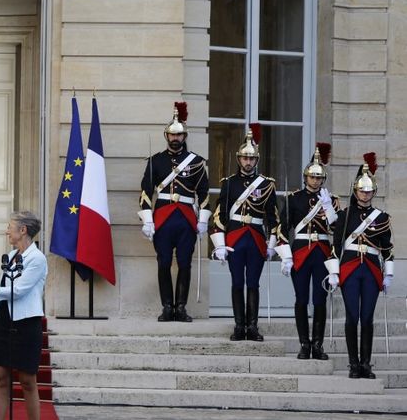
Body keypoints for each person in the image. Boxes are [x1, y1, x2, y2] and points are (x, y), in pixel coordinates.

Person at [210, 124, 284, 342]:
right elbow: (219, 215)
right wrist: (219, 244)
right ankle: (239, 326)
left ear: (257, 160)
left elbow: (273, 218)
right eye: (244, 158)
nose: (248, 162)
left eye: (251, 159)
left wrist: (272, 245)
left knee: (253, 283)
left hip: (256, 238)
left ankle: (252, 326)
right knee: (236, 282)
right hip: (234, 238)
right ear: (238, 159)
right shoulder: (229, 183)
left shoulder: (267, 185)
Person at [139, 102, 210, 322]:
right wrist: (147, 219)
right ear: (166, 136)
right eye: (172, 135)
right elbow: (145, 193)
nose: (175, 139)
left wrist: (203, 221)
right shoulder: (156, 161)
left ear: (185, 136)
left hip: (187, 219)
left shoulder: (196, 163)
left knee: (185, 263)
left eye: (179, 135)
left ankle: (181, 307)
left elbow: (204, 194)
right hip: (162, 219)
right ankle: (167, 306)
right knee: (163, 262)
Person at [0, 211, 48, 420]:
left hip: (26, 322)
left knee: (27, 379)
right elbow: (9, 285)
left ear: (22, 230)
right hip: (5, 320)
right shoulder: (13, 255)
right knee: (0, 377)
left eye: (10, 226)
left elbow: (20, 290)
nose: (7, 230)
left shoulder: (37, 258)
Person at [327, 152, 394, 379]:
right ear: (355, 191)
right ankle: (353, 364)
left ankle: (366, 363)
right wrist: (334, 273)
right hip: (350, 268)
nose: (365, 195)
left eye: (369, 191)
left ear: (373, 192)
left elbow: (387, 248)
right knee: (352, 317)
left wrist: (389, 274)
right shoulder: (345, 216)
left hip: (373, 270)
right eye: (362, 191)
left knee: (367, 318)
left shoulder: (381, 218)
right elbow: (335, 247)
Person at [276, 143, 338, 360]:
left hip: (322, 252)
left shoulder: (332, 200)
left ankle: (318, 345)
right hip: (301, 250)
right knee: (301, 298)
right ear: (305, 178)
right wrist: (284, 254)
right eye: (312, 177)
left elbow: (336, 230)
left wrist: (330, 208)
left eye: (319, 178)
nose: (315, 181)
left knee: (320, 299)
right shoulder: (295, 198)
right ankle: (304, 344)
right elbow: (283, 227)